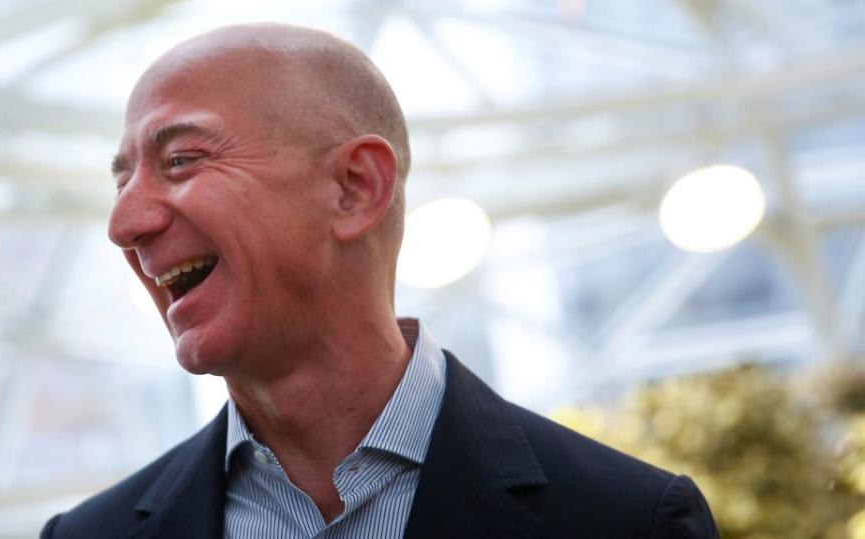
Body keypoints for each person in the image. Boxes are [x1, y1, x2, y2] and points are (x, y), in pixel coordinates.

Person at [41, 23, 719, 538]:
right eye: (122, 178)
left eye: (183, 158)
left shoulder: (627, 520)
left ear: (355, 188)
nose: (124, 221)